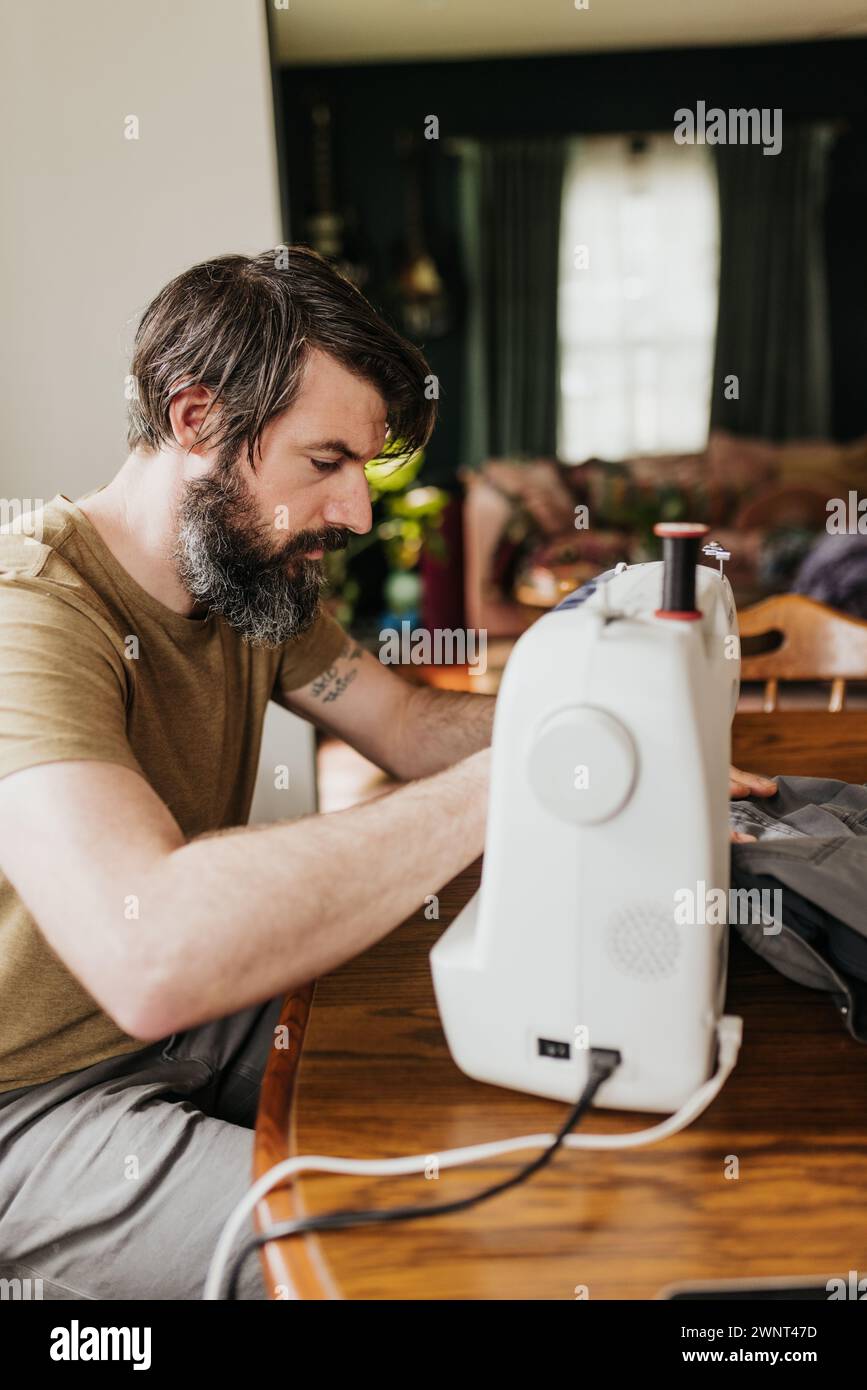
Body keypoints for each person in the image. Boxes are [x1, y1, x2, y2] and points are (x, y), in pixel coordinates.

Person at [0, 247, 773, 1300]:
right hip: (33, 1097)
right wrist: (529, 774)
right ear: (195, 419)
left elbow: (409, 726)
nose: (358, 512)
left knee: (497, 1089)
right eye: (326, 462)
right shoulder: (31, 612)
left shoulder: (246, 577)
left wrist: (640, 729)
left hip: (192, 1024)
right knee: (411, 1256)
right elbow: (150, 953)